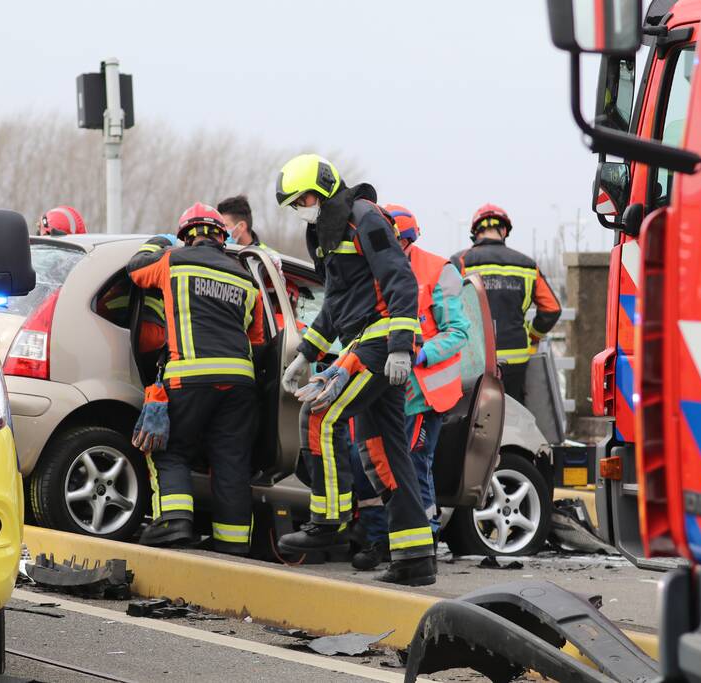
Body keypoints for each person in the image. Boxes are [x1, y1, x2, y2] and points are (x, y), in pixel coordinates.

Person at [274, 153, 436, 586]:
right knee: (381, 451)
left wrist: (401, 347)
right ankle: (414, 557)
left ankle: (328, 521)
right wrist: (307, 353)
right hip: (361, 342)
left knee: (321, 414)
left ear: (325, 187)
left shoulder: (363, 217)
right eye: (295, 203)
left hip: (380, 342)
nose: (301, 207)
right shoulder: (323, 233)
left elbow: (400, 280)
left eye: (304, 198)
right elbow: (335, 304)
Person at [127, 203, 265, 555]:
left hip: (188, 377)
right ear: (222, 237)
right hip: (239, 383)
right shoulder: (246, 278)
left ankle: (174, 523)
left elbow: (135, 270)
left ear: (186, 236)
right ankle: (233, 544)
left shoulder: (173, 259)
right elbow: (259, 340)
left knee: (170, 451)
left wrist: (158, 241)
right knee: (231, 461)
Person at [351, 205, 471, 571]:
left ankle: (424, 541)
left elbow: (458, 332)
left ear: (405, 239)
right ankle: (380, 541)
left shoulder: (438, 270)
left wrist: (418, 353)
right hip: (378, 388)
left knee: (414, 466)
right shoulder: (367, 271)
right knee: (371, 465)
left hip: (422, 394)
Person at [454, 204, 561, 404]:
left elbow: (443, 305)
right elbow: (552, 309)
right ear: (504, 231)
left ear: (476, 232)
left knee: (473, 418)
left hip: (474, 360)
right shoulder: (527, 265)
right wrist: (533, 335)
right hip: (516, 358)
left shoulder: (461, 261)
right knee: (512, 415)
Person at [217, 195, 283, 272]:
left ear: (241, 226)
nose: (221, 230)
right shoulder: (221, 252)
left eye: (225, 225)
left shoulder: (268, 258)